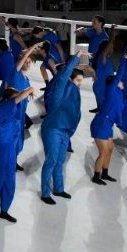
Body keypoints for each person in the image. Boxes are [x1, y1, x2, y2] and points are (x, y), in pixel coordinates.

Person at [0, 82, 37, 226]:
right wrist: (29, 90)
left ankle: (4, 210)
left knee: (9, 180)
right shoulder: (3, 108)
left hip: (9, 149)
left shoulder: (14, 110)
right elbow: (19, 97)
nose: (19, 99)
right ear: (9, 98)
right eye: (16, 96)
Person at [38, 51, 88, 204]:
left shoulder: (75, 92)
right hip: (53, 129)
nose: (81, 83)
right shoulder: (59, 89)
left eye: (82, 80)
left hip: (65, 131)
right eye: (78, 80)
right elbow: (64, 74)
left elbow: (76, 114)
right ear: (70, 79)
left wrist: (70, 132)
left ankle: (59, 189)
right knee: (51, 161)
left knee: (60, 161)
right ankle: (45, 193)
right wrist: (77, 56)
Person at [88, 73, 125, 185]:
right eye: (120, 81)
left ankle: (105, 173)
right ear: (115, 83)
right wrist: (124, 60)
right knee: (103, 152)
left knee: (110, 150)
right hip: (101, 124)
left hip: (108, 125)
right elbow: (118, 77)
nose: (123, 82)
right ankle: (96, 176)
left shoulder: (119, 93)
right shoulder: (111, 91)